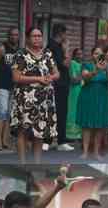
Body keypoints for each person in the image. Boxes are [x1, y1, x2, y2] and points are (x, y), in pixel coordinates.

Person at [10, 28, 60, 163]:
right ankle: (23, 162)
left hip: (44, 99)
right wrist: (38, 79)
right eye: (34, 36)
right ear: (27, 38)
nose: (37, 38)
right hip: (26, 98)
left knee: (40, 131)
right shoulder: (20, 54)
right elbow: (16, 77)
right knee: (23, 131)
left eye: (39, 36)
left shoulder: (47, 54)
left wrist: (50, 77)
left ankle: (37, 163)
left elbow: (57, 73)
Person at [76, 47, 108, 161]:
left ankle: (96, 152)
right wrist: (96, 70)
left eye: (100, 53)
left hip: (102, 98)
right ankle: (85, 151)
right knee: (87, 125)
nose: (98, 55)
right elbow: (85, 77)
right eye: (95, 53)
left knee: (99, 126)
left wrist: (107, 70)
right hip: (88, 96)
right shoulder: (86, 65)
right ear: (92, 55)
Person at [0, 27, 19, 151]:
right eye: (12, 35)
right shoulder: (2, 48)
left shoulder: (18, 50)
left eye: (16, 35)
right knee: (2, 111)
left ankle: (5, 141)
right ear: (8, 36)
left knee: (8, 113)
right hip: (1, 85)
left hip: (13, 85)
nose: (14, 37)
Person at [48, 23, 74, 152]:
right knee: (60, 112)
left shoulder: (54, 46)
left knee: (59, 112)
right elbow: (65, 64)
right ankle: (60, 141)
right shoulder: (54, 47)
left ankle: (56, 139)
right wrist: (67, 50)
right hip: (58, 84)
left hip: (61, 83)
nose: (66, 36)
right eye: (65, 33)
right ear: (61, 33)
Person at [66, 48, 83, 142]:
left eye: (81, 54)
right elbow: (73, 80)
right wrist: (82, 73)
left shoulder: (82, 64)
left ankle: (79, 133)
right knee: (73, 111)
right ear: (74, 55)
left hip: (81, 91)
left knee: (80, 111)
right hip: (74, 91)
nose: (80, 56)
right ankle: (71, 134)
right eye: (78, 54)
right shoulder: (72, 63)